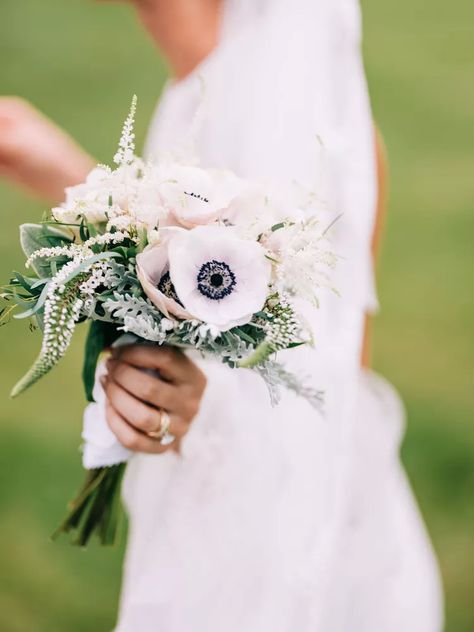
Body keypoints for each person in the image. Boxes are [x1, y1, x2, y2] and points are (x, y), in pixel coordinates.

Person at [0, 1, 444, 630]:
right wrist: (78, 184)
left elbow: (325, 383)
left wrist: (191, 401)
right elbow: (208, 244)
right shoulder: (219, 77)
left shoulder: (296, 110)